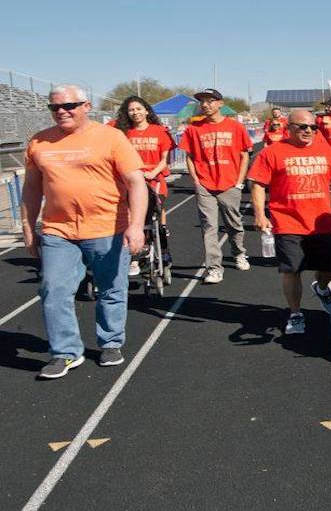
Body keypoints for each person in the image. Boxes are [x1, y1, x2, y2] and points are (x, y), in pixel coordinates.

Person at [21, 85, 148, 378]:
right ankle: (65, 352)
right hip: (58, 229)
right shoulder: (40, 141)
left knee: (112, 289)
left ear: (87, 106)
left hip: (106, 227)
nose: (62, 112)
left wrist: (136, 225)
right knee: (53, 288)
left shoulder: (111, 137)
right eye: (55, 107)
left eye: (70, 106)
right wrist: (29, 226)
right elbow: (31, 187)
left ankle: (111, 341)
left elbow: (136, 182)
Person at [248, 110, 331, 335]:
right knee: (292, 270)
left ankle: (321, 289)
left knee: (327, 267)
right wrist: (260, 214)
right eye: (302, 126)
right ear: (288, 128)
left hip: (321, 222)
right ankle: (295, 313)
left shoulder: (326, 151)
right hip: (287, 221)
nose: (308, 131)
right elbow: (258, 184)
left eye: (312, 127)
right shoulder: (272, 152)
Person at [179, 88, 253, 284]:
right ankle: (214, 268)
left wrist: (239, 181)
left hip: (230, 183)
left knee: (234, 224)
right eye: (202, 101)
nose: (205, 105)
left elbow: (245, 154)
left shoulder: (235, 127)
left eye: (210, 101)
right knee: (209, 227)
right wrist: (196, 180)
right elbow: (189, 156)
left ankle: (239, 253)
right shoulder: (193, 129)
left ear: (220, 103)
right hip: (205, 185)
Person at [114, 95, 176, 275]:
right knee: (130, 218)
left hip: (153, 180)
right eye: (131, 110)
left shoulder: (159, 131)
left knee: (152, 218)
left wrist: (153, 173)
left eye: (139, 109)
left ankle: (160, 251)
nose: (135, 113)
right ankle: (133, 257)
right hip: (130, 180)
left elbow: (165, 160)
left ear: (146, 110)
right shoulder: (121, 132)